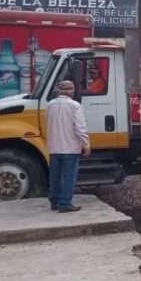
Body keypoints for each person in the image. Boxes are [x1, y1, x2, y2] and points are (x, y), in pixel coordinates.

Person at [47, 80, 90, 213]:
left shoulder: (50, 105)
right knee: (68, 176)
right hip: (70, 147)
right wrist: (86, 144)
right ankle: (65, 203)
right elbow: (80, 127)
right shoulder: (74, 105)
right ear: (71, 91)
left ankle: (54, 201)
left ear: (59, 91)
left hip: (54, 147)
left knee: (55, 176)